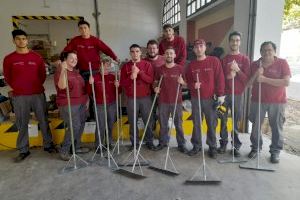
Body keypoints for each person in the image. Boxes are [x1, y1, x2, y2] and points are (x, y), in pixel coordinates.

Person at [3, 29, 56, 162]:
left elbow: (42, 75)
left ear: (27, 40)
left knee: (43, 120)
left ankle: (48, 144)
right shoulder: (9, 59)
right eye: (18, 39)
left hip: (37, 94)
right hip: (20, 96)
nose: (21, 41)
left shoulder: (36, 57)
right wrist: (19, 87)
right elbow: (8, 77)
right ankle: (23, 149)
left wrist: (35, 86)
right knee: (22, 122)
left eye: (24, 38)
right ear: (14, 41)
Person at [248, 41, 290, 163]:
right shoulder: (255, 64)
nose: (267, 52)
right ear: (260, 52)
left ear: (274, 51)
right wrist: (256, 75)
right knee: (256, 126)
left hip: (277, 101)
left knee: (276, 126)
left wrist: (265, 79)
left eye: (269, 50)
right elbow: (249, 83)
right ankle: (255, 148)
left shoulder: (282, 63)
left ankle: (275, 152)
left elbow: (285, 82)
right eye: (264, 50)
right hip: (258, 100)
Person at [186, 39, 225, 158]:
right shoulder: (191, 65)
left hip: (210, 99)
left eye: (201, 46)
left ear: (205, 48)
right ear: (193, 49)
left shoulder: (214, 61)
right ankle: (196, 145)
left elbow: (220, 78)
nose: (198, 48)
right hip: (196, 99)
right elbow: (188, 82)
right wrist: (193, 85)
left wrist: (221, 94)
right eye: (196, 47)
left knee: (211, 123)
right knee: (197, 123)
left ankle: (212, 147)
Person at [218, 31, 250, 156]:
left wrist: (238, 70)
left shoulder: (244, 59)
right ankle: (223, 143)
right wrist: (229, 76)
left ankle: (235, 146)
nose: (235, 42)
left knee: (236, 120)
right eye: (232, 40)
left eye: (237, 40)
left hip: (238, 95)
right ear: (229, 42)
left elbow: (247, 80)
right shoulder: (224, 60)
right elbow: (220, 78)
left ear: (240, 42)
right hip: (225, 95)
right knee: (223, 120)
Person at [54, 51, 89, 161]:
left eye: (76, 58)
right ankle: (64, 150)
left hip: (81, 102)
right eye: (71, 58)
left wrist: (86, 100)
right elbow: (62, 86)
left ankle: (76, 147)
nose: (74, 60)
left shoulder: (75, 72)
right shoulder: (60, 72)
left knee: (81, 123)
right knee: (75, 126)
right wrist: (63, 69)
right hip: (68, 103)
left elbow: (82, 87)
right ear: (65, 60)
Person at [120, 44, 156, 150]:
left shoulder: (147, 65)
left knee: (148, 120)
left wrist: (139, 73)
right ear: (130, 53)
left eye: (137, 51)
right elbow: (122, 83)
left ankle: (149, 141)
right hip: (132, 98)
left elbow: (150, 80)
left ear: (141, 53)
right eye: (132, 51)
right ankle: (134, 143)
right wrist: (131, 77)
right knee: (132, 121)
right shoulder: (126, 66)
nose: (135, 53)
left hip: (145, 98)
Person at [154, 47, 188, 153]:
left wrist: (183, 82)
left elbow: (187, 84)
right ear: (164, 55)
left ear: (174, 55)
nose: (169, 55)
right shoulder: (159, 69)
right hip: (163, 101)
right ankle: (162, 142)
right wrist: (155, 87)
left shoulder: (180, 68)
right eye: (167, 53)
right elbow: (155, 82)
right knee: (163, 124)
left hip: (176, 101)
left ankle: (181, 144)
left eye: (171, 53)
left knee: (178, 124)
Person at [87, 58, 120, 151]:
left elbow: (119, 92)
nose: (106, 67)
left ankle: (109, 142)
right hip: (99, 105)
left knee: (110, 124)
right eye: (104, 65)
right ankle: (99, 145)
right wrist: (90, 84)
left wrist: (118, 86)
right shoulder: (94, 77)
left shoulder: (113, 77)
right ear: (100, 66)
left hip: (112, 104)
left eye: (108, 66)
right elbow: (89, 92)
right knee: (100, 125)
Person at [144, 39, 165, 130]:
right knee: (149, 114)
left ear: (157, 49)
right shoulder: (143, 61)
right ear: (147, 50)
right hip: (148, 93)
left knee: (163, 113)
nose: (152, 50)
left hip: (162, 92)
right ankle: (150, 135)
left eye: (154, 48)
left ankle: (163, 137)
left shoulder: (164, 59)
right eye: (150, 48)